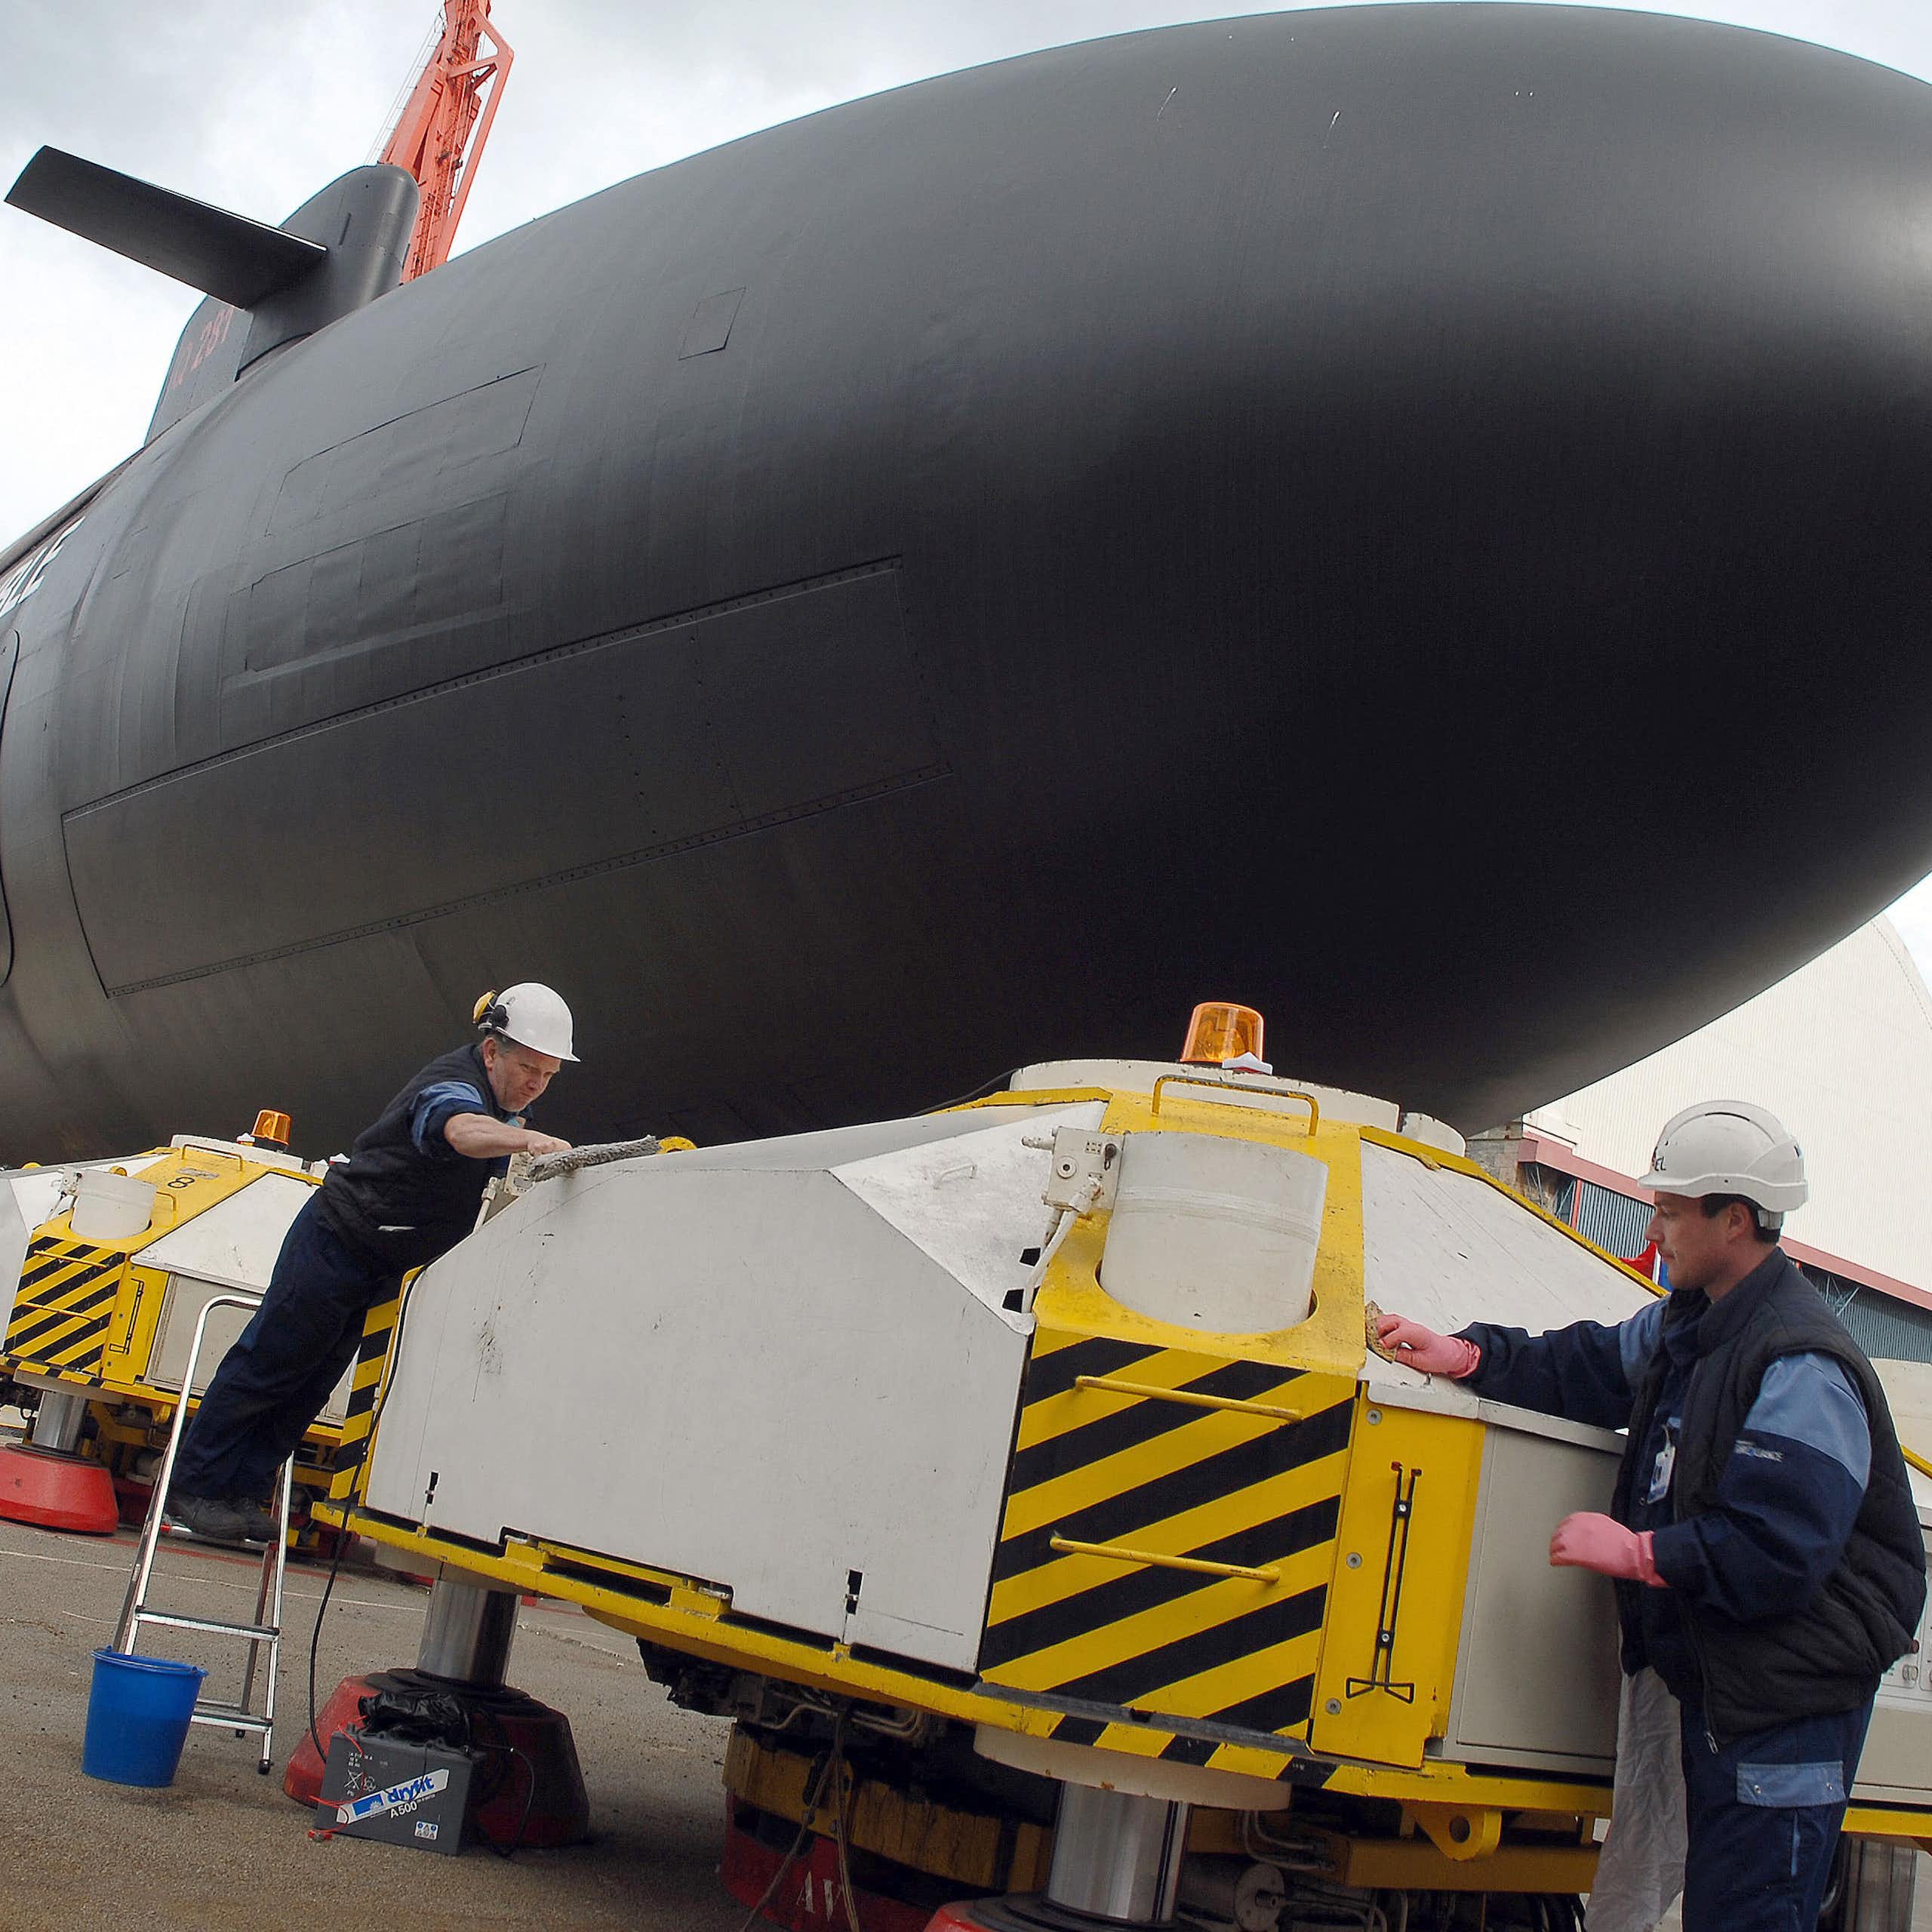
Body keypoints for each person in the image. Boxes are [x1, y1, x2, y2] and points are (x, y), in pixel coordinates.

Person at [1375, 1100, 1926, 1932]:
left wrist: (1640, 1551)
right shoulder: (1693, 1324)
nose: (1655, 1225)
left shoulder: (1799, 1362)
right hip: (1723, 1688)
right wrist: (1471, 1353)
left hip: (1784, 1707)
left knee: (1746, 1914)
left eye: (1671, 1210)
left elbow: (1779, 1552)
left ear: (1733, 1219)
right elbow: (1592, 1363)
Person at [165, 985, 578, 1543]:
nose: (535, 1084)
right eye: (528, 1067)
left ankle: (242, 1492)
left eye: (548, 1075)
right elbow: (458, 1129)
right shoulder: (453, 1085)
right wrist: (528, 1144)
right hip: (339, 1236)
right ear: (490, 1052)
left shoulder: (507, 1111)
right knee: (271, 1360)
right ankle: (195, 1488)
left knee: (315, 1379)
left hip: (384, 1260)